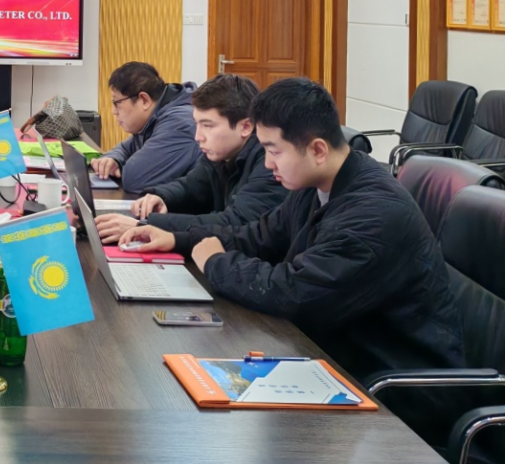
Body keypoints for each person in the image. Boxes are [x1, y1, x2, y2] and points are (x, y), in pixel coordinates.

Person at [118, 77, 465, 380]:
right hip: (336, 354)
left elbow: (295, 293)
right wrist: (177, 239)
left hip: (392, 389)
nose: (268, 164)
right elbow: (259, 235)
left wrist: (216, 262)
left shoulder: (372, 215)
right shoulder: (319, 184)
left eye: (274, 151)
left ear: (317, 149)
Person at [94, 74, 286, 243]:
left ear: (245, 127)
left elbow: (235, 223)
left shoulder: (270, 164)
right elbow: (191, 187)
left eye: (207, 126)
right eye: (197, 124)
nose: (198, 136)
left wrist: (147, 225)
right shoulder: (219, 153)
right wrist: (162, 197)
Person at [92, 62, 200, 193]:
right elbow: (125, 148)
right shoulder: (155, 116)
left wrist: (122, 167)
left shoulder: (179, 122)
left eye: (117, 103)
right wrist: (113, 160)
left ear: (144, 100)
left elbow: (134, 179)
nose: (113, 111)